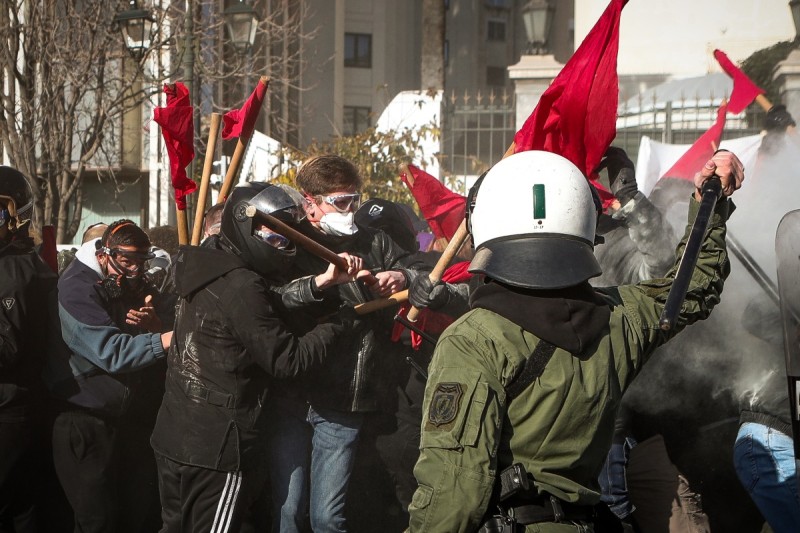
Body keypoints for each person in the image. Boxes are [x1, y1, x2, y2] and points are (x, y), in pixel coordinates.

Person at [406, 149, 743, 532]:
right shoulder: (620, 318)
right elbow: (695, 284)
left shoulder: (470, 341)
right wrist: (710, 201)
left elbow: (453, 498)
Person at [150, 182, 366, 533]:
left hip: (176, 434)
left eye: (287, 240)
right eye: (275, 238)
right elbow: (286, 360)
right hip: (216, 446)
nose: (283, 248)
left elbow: (259, 311)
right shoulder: (241, 284)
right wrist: (336, 323)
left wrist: (320, 284)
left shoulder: (204, 265)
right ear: (244, 227)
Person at [265, 155, 428, 533]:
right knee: (288, 512)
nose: (350, 210)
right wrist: (322, 282)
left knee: (327, 517)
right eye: (340, 202)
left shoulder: (374, 240)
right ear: (311, 203)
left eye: (354, 200)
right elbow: (274, 297)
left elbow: (422, 272)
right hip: (293, 395)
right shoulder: (288, 240)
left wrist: (398, 275)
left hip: (345, 399)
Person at [49, 219, 172, 533]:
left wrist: (156, 325)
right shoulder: (76, 287)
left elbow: (155, 324)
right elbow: (113, 352)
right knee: (97, 521)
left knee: (137, 513)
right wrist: (168, 338)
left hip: (130, 418)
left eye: (140, 263)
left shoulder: (133, 282)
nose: (134, 272)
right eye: (127, 262)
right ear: (103, 254)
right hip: (85, 418)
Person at [0, 166, 58, 532]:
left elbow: (7, 348)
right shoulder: (18, 264)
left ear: (15, 216)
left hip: (9, 409)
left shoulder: (14, 270)